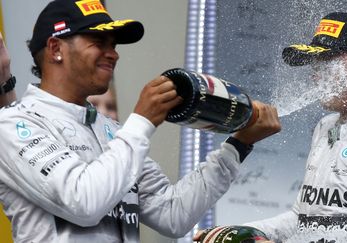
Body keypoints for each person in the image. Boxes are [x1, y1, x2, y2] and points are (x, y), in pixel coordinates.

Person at [0, 0, 281, 242]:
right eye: (99, 42)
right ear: (55, 48)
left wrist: (238, 146)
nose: (114, 53)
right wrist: (142, 121)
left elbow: (173, 214)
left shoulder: (111, 130)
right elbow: (83, 202)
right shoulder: (13, 125)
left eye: (114, 44)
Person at [197, 11, 347, 243]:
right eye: (316, 65)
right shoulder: (326, 127)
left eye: (328, 63)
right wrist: (234, 233)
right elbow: (303, 221)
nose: (316, 77)